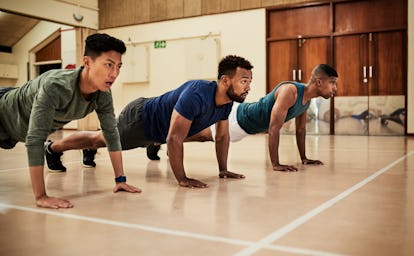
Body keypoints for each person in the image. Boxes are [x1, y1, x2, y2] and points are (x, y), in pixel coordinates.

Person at [46, 55, 254, 188]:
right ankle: (52, 148)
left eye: (249, 82)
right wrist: (182, 178)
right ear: (225, 80)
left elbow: (222, 136)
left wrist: (223, 169)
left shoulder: (227, 102)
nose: (248, 87)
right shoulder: (197, 94)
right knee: (99, 139)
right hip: (140, 121)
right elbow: (174, 138)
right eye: (244, 81)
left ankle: (154, 143)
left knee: (201, 135)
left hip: (157, 126)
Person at [0, 33, 141, 209]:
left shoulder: (103, 93)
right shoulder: (55, 86)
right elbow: (35, 139)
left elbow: (111, 133)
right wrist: (41, 196)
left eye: (119, 66)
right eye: (108, 65)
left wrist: (120, 180)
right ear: (87, 62)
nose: (114, 74)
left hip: (14, 128)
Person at [153, 64, 338, 172]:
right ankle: (159, 141)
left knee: (200, 135)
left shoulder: (305, 100)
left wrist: (304, 158)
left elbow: (300, 129)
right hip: (239, 119)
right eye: (332, 83)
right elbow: (273, 128)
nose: (334, 88)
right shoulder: (291, 91)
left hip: (244, 125)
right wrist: (275, 164)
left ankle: (165, 141)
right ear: (319, 82)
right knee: (201, 135)